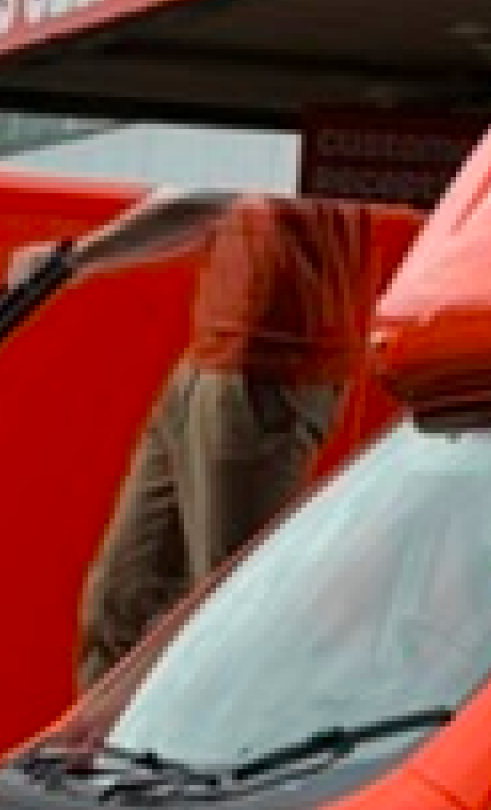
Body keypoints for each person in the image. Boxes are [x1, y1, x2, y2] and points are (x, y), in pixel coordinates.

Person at [30, 190, 385, 688]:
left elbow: (209, 199)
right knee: (121, 601)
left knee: (228, 619)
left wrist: (78, 257)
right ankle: (109, 757)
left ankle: (241, 753)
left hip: (269, 359)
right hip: (213, 354)